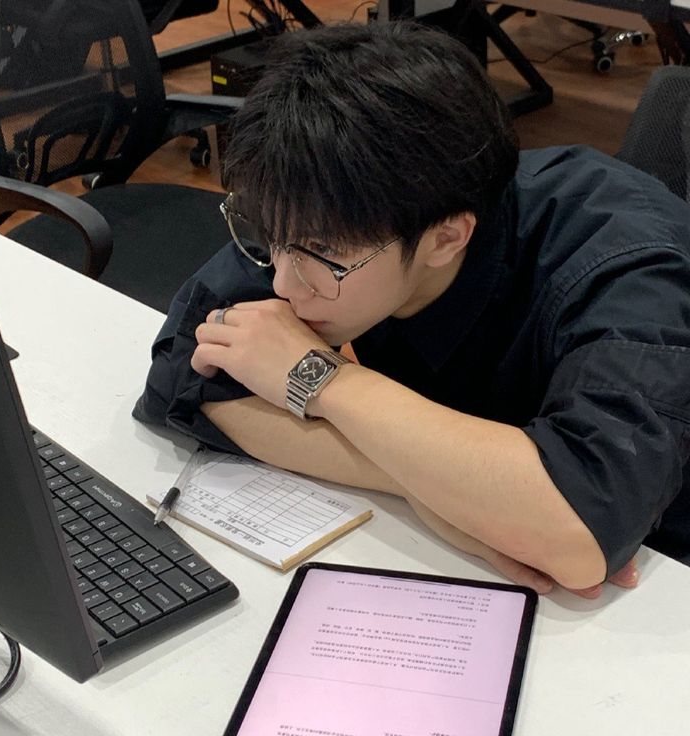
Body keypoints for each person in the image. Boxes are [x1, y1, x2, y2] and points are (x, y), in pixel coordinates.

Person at [134, 21, 690, 597]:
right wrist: (428, 485)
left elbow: (579, 534)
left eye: (321, 252)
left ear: (446, 239)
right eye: (271, 237)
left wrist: (323, 381)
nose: (282, 283)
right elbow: (184, 366)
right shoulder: (331, 211)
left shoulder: (628, 269)